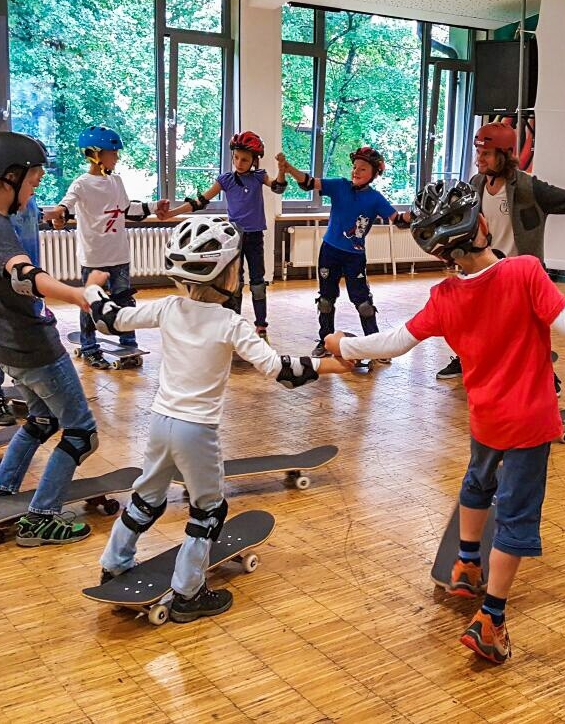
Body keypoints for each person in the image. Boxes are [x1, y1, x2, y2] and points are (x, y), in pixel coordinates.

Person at [325, 180, 565, 664]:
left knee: (478, 482)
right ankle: (491, 619)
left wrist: (346, 346)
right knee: (517, 519)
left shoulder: (444, 296)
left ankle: (466, 564)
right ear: (482, 226)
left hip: (485, 419)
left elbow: (396, 342)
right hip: (530, 423)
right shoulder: (524, 270)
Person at [89, 215, 350, 622]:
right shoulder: (231, 323)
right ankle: (188, 595)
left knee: (147, 495)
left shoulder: (168, 307)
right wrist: (335, 366)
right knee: (208, 511)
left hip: (160, 422)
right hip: (197, 432)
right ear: (227, 274)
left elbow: (110, 319)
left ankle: (115, 562)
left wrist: (92, 288)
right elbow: (280, 369)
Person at [0, 130, 101, 547]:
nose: (34, 191)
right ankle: (42, 516)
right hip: (35, 347)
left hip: (5, 348)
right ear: (11, 177)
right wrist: (77, 294)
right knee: (81, 432)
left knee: (40, 420)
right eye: (33, 182)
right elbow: (22, 274)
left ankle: (2, 496)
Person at [434, 120, 565, 384]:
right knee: (472, 322)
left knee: (530, 331)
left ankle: (546, 376)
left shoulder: (529, 189)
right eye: (478, 152)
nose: (478, 159)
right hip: (483, 268)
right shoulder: (475, 185)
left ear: (504, 155)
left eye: (485, 153)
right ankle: (465, 359)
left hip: (520, 273)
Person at [41, 125, 166, 369]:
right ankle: (89, 346)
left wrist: (154, 207)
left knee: (124, 301)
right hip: (94, 257)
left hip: (119, 254)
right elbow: (65, 207)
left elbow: (128, 210)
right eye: (113, 153)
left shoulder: (116, 181)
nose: (117, 157)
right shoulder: (81, 184)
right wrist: (54, 215)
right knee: (90, 303)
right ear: (96, 154)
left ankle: (128, 343)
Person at [276, 146, 411, 358]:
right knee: (326, 301)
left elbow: (400, 222)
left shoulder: (375, 199)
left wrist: (416, 213)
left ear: (374, 174)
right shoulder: (340, 186)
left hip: (354, 257)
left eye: (363, 169)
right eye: (355, 167)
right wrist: (288, 168)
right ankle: (325, 340)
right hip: (330, 251)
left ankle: (374, 345)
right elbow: (309, 183)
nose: (356, 171)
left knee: (364, 304)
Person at [159, 131, 287, 340]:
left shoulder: (258, 176)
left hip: (254, 237)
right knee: (234, 282)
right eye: (236, 157)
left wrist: (281, 171)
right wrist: (171, 214)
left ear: (254, 160)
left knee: (257, 283)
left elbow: (278, 188)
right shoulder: (225, 180)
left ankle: (261, 326)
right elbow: (200, 201)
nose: (239, 162)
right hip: (233, 237)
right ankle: (232, 322)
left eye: (245, 159)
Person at [0, 194, 45, 426]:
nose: (38, 179)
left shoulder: (30, 199)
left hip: (29, 281)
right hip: (4, 282)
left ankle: (32, 392)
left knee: (28, 337)